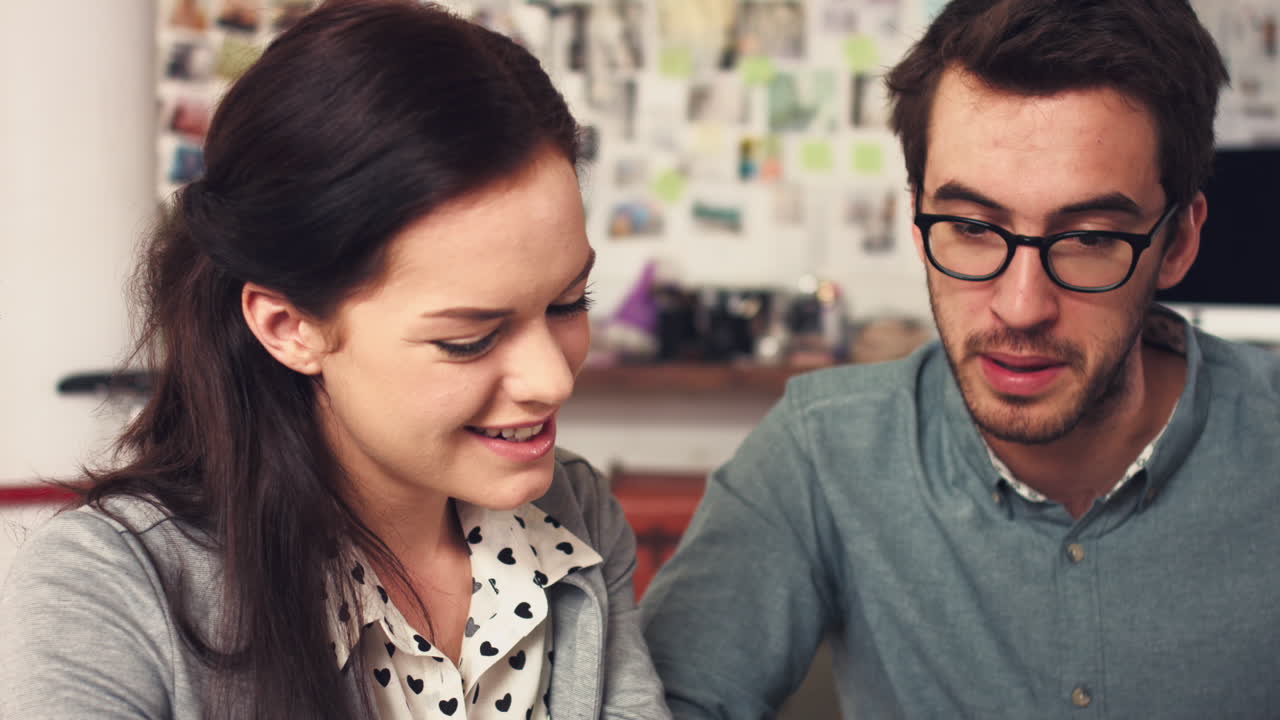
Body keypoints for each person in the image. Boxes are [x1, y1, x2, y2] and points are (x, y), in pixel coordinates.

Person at [0, 2, 670, 719]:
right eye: (469, 338)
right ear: (290, 326)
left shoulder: (574, 513)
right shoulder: (109, 590)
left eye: (569, 302)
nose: (554, 378)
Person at [642, 0, 1280, 717]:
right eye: (973, 228)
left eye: (1091, 236)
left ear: (1181, 241)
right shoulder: (822, 452)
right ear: (918, 221)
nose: (1020, 306)